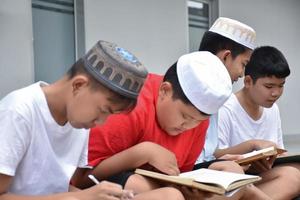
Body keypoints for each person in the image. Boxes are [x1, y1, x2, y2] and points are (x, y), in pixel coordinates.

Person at [73, 51, 252, 199]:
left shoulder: (197, 121)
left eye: (198, 121)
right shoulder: (130, 107)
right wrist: (142, 152)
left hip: (169, 183)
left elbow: (183, 175)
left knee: (232, 171)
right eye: (184, 116)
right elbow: (82, 180)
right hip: (120, 183)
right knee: (159, 192)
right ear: (164, 90)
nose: (188, 126)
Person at [0, 40, 150, 200]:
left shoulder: (78, 122)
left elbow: (56, 188)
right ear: (78, 85)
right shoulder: (19, 111)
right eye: (103, 110)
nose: (101, 122)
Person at [217, 46, 300, 199]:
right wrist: (252, 145)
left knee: (295, 170)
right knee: (293, 177)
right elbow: (215, 157)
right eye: (269, 86)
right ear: (248, 81)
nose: (276, 93)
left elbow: (278, 150)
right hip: (232, 181)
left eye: (281, 86)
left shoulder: (272, 110)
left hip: (259, 178)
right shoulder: (225, 109)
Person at [195, 17, 256, 164]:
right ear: (226, 57)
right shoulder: (196, 89)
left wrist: (220, 159)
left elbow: (207, 153)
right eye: (243, 64)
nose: (242, 74)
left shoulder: (216, 92)